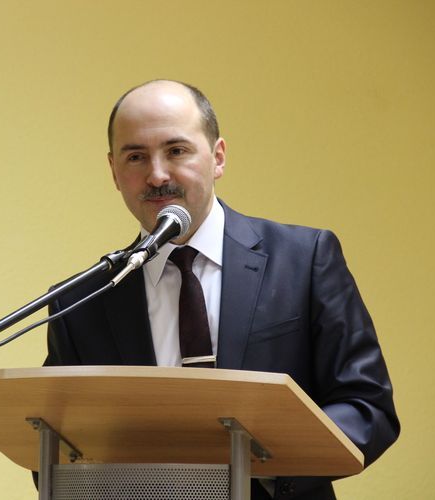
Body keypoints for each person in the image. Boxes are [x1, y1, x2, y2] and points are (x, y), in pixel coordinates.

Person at [44, 80, 399, 499]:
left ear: (218, 157)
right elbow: (55, 443)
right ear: (114, 172)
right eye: (136, 156)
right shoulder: (80, 301)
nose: (157, 175)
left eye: (177, 151)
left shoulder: (305, 260)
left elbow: (366, 407)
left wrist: (264, 466)